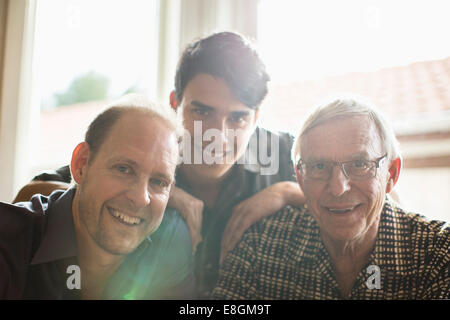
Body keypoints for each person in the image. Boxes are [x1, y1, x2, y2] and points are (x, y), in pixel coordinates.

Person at [16, 32, 305, 298]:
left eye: (238, 118)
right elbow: (30, 194)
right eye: (202, 111)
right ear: (174, 104)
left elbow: (343, 192)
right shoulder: (150, 146)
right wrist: (162, 191)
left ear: (256, 118)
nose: (218, 134)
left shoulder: (282, 153)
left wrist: (289, 192)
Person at [212, 97, 450, 299]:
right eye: (318, 166)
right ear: (300, 177)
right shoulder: (261, 245)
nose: (338, 188)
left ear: (392, 174)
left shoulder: (439, 256)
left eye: (359, 164)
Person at [0, 95, 194, 299]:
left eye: (158, 182)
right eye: (123, 169)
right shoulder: (7, 244)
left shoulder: (170, 247)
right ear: (81, 164)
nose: (140, 198)